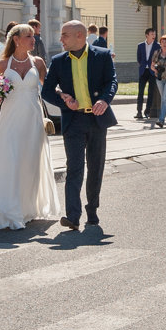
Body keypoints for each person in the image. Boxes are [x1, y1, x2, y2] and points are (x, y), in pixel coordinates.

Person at [0, 24, 60, 230]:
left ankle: (27, 207)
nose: (33, 39)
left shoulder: (38, 62)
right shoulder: (2, 65)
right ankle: (8, 207)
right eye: (29, 36)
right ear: (16, 39)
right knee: (9, 159)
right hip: (11, 119)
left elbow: (48, 89)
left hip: (33, 119)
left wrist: (64, 96)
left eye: (33, 36)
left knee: (29, 162)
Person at [41, 20, 118, 231]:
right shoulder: (58, 61)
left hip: (96, 119)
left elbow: (112, 81)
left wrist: (104, 99)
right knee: (74, 168)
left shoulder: (101, 55)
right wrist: (63, 98)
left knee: (95, 168)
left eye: (65, 35)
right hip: (73, 121)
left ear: (80, 36)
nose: (61, 39)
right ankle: (72, 216)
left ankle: (92, 211)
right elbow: (46, 91)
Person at [135, 28, 160, 120]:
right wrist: (143, 65)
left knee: (150, 92)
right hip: (143, 71)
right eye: (152, 34)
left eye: (154, 34)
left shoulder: (157, 46)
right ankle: (139, 112)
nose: (154, 36)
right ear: (147, 35)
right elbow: (139, 58)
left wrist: (154, 68)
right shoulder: (140, 45)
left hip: (152, 71)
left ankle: (147, 112)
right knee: (140, 92)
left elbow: (158, 59)